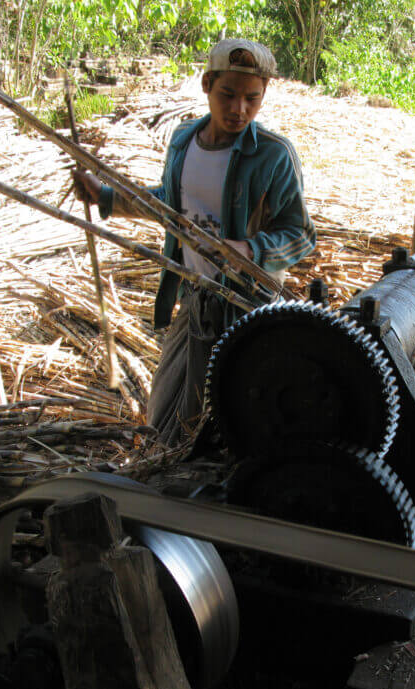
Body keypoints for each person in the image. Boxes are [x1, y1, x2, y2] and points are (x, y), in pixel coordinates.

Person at [74, 39, 316, 446]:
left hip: (246, 307)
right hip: (195, 297)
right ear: (206, 84)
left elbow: (301, 235)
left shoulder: (273, 156)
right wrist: (107, 197)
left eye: (252, 99)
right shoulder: (184, 142)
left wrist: (250, 250)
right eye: (228, 95)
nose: (239, 108)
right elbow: (171, 204)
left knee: (233, 418)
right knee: (166, 410)